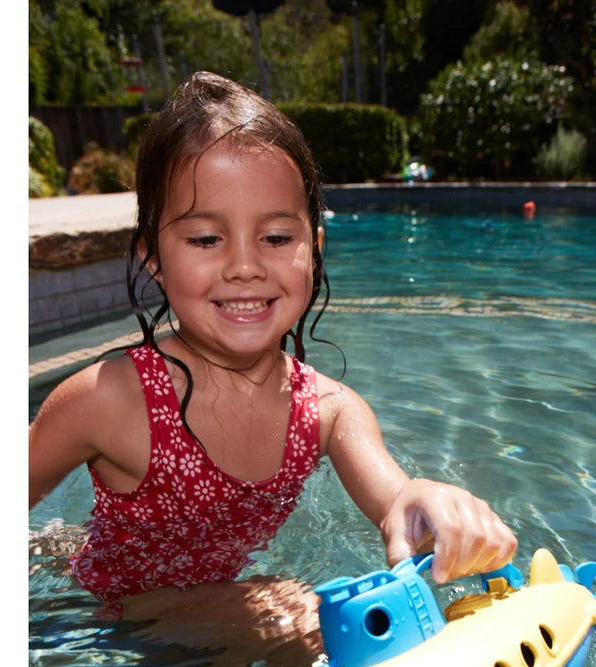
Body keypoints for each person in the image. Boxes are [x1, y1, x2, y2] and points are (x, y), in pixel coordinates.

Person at [29, 72, 516, 636]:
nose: (244, 266)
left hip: (221, 607)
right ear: (153, 258)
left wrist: (429, 500)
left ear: (315, 246)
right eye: (206, 239)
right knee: (299, 615)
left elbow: (394, 498)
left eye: (278, 238)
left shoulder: (330, 412)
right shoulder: (108, 399)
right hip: (113, 608)